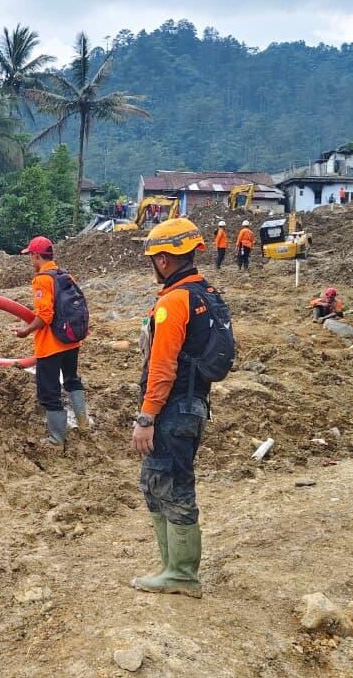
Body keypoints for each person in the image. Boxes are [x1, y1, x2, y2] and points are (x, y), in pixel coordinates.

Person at [130, 218, 226, 598]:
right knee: (156, 482)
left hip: (172, 409)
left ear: (165, 260)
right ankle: (172, 567)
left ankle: (182, 573)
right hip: (193, 404)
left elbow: (163, 365)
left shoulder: (174, 301)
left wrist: (146, 416)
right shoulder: (207, 293)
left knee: (172, 483)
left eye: (153, 258)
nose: (153, 265)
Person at [13, 236, 87, 446]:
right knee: (72, 379)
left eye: (31, 256)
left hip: (51, 345)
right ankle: (83, 422)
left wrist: (26, 330)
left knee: (49, 391)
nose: (30, 261)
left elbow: (45, 315)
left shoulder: (42, 279)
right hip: (71, 341)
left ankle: (56, 438)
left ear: (36, 256)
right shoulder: (65, 275)